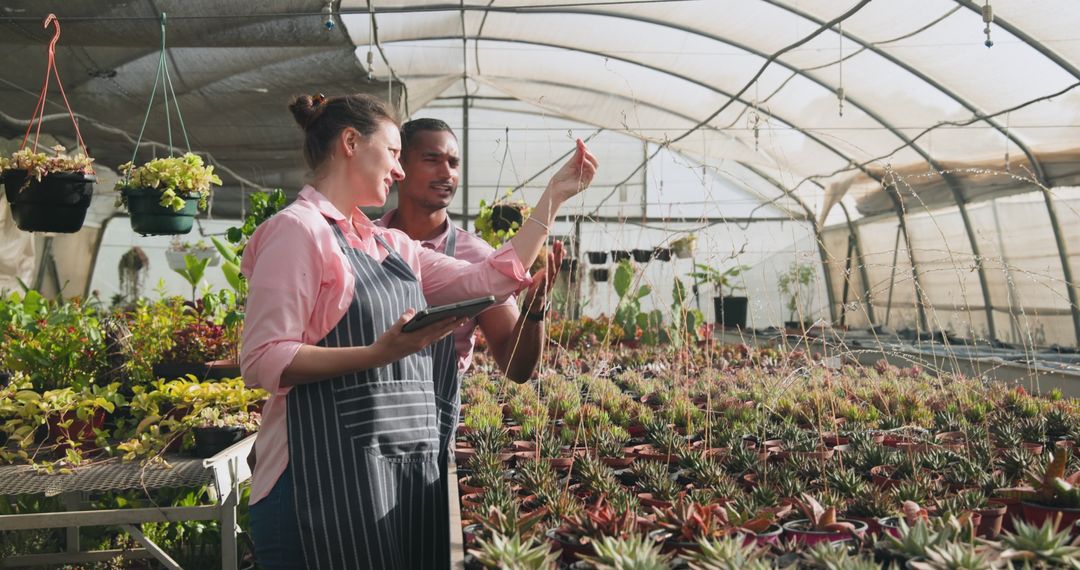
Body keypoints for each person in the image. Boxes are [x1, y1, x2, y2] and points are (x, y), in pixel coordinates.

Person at [240, 93, 597, 570]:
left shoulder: (389, 244)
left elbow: (489, 278)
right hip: (309, 480)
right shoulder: (298, 230)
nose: (401, 170)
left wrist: (554, 196)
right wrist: (377, 353)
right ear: (350, 143)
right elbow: (263, 360)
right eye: (393, 152)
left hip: (381, 477)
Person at [375, 118, 562, 468]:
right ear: (399, 166)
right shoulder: (363, 241)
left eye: (454, 162)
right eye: (432, 159)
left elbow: (515, 366)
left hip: (432, 429)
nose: (446, 172)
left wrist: (534, 311)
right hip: (362, 420)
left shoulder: (476, 256)